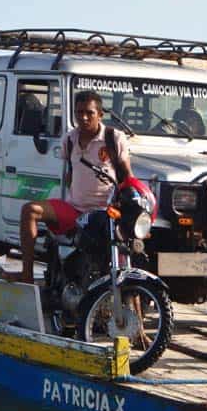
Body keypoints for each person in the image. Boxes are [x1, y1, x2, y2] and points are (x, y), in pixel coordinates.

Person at [9, 89, 133, 284]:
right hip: (75, 210)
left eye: (89, 113)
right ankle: (27, 274)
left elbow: (127, 177)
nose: (83, 118)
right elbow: (70, 173)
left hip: (104, 213)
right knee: (29, 211)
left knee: (122, 262)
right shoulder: (69, 139)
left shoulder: (113, 138)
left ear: (100, 115)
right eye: (79, 113)